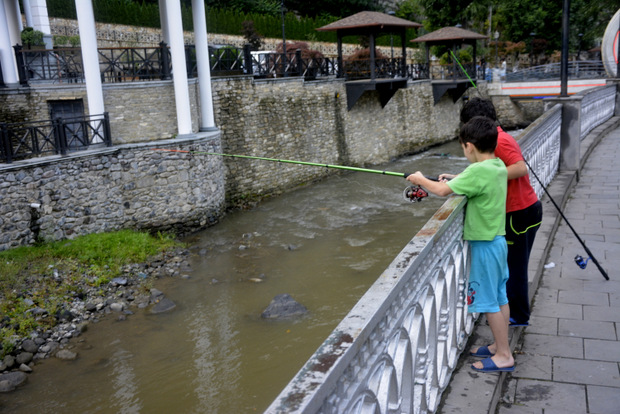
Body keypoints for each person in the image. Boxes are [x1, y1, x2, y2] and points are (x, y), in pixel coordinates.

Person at [406, 116, 514, 372]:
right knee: (500, 297)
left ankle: (505, 356)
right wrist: (456, 178)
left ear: (469, 147)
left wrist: (420, 179)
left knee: (488, 302)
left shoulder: (477, 171)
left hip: (485, 247)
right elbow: (475, 180)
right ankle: (500, 346)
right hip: (498, 242)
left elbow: (442, 192)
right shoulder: (497, 165)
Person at [460, 97, 542, 327]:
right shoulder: (497, 137)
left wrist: (488, 177)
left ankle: (518, 317)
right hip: (522, 210)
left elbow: (520, 168)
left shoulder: (501, 141)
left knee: (514, 269)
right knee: (513, 267)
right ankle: (514, 314)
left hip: (519, 212)